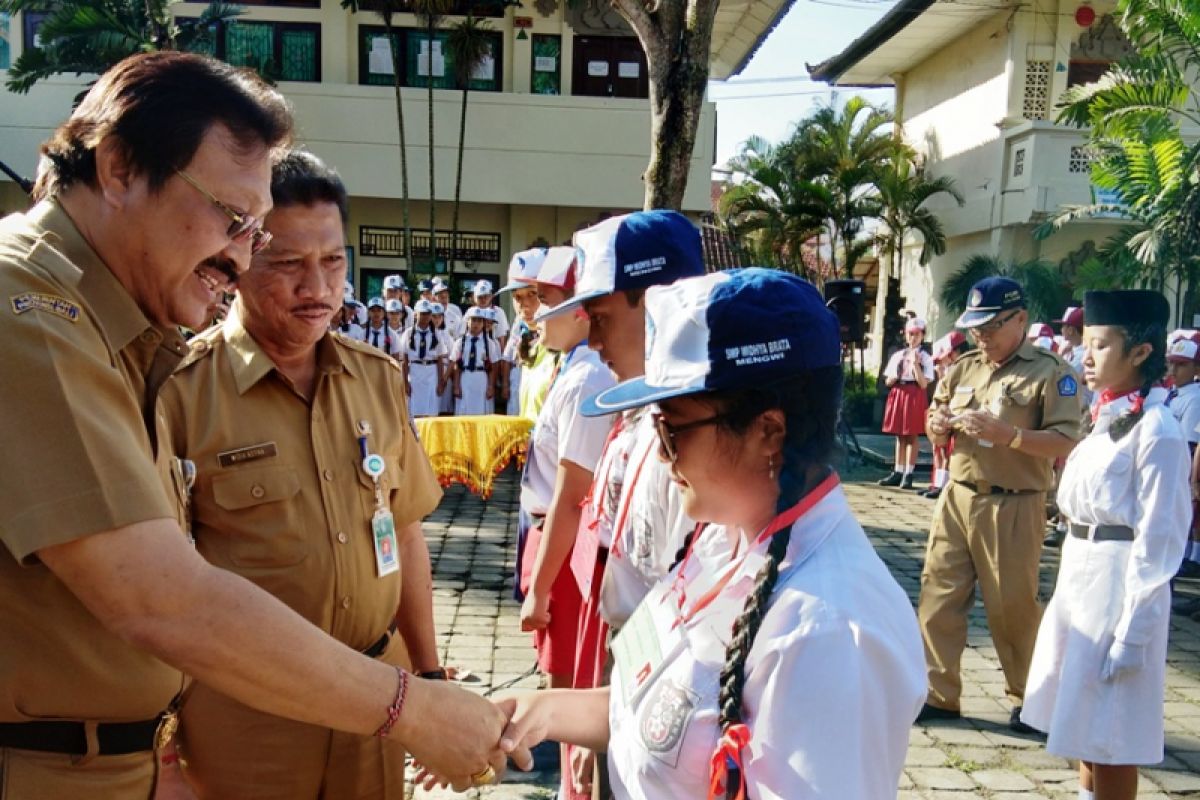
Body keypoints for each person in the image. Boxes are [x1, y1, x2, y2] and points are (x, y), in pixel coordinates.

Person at [0, 51, 520, 799]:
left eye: (254, 229)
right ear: (118, 169)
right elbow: (161, 598)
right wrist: (412, 707)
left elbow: (399, 528)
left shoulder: (115, 330)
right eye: (233, 219)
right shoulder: (31, 315)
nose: (241, 256)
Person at [471, 269, 926, 800]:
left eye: (672, 428)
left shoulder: (827, 633)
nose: (660, 454)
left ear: (769, 433)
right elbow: (660, 714)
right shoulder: (723, 536)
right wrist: (540, 710)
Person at [159, 150, 448, 799]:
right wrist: (165, 753)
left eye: (334, 261)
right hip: (247, 716)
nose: (317, 287)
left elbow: (403, 534)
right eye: (288, 264)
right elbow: (152, 589)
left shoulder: (377, 379)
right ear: (237, 259)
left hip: (377, 706)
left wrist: (429, 677)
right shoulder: (180, 393)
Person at [536, 209, 705, 799]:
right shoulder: (637, 413)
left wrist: (617, 719)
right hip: (625, 657)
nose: (595, 339)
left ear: (659, 302)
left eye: (603, 318)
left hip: (658, 675)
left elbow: (681, 607)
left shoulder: (692, 442)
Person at [1022, 290, 1189, 800]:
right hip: (1082, 577)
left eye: (1100, 345)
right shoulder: (1109, 417)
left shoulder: (1157, 430)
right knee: (1083, 729)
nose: (1085, 357)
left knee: (1112, 735)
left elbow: (1160, 539)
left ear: (1139, 352)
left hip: (1120, 587)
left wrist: (1133, 632)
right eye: (1085, 344)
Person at [918, 276, 1083, 732]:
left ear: (1021, 320)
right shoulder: (965, 367)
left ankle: (1030, 700)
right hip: (959, 496)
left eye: (990, 327)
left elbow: (1067, 438)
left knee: (1012, 608)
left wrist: (1008, 435)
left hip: (1014, 505)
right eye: (975, 328)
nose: (981, 336)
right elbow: (939, 407)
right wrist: (937, 425)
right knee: (937, 596)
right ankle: (939, 694)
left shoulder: (1051, 373)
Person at [516, 248, 616, 797]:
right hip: (554, 538)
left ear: (581, 312)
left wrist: (542, 587)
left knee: (572, 689)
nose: (535, 314)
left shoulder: (588, 379)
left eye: (547, 303)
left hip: (570, 551)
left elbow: (573, 496)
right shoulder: (573, 367)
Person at [878, 317, 935, 490]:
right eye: (910, 334)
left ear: (923, 336)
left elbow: (924, 383)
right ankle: (898, 470)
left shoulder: (925, 357)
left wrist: (916, 364)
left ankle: (909, 473)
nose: (913, 338)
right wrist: (895, 375)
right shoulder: (898, 355)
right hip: (899, 392)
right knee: (899, 435)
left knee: (912, 435)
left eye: (917, 334)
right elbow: (888, 381)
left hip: (915, 393)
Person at [498, 248, 549, 417]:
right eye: (517, 297)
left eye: (532, 294)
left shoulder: (561, 347)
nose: (524, 304)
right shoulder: (526, 337)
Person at [1167, 334, 1200, 580]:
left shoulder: (1195, 397)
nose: (1174, 369)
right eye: (1172, 363)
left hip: (1181, 464)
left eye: (1182, 365)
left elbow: (1189, 442)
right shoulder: (1174, 393)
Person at [920, 330, 967, 501]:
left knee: (949, 451)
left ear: (956, 352)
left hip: (954, 413)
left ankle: (943, 485)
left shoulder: (965, 368)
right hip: (941, 410)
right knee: (937, 448)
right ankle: (937, 483)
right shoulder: (949, 369)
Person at [401, 298, 449, 418]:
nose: (425, 316)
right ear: (416, 314)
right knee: (414, 410)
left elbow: (439, 359)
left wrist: (440, 382)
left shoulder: (436, 333)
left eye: (428, 313)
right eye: (422, 313)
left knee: (430, 410)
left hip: (431, 372)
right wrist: (405, 382)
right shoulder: (408, 333)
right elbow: (404, 360)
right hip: (415, 371)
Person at [450, 306, 500, 415]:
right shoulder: (460, 342)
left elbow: (493, 366)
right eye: (473, 320)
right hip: (466, 377)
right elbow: (456, 365)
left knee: (481, 410)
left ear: (483, 323)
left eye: (479, 321)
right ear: (467, 321)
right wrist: (456, 385)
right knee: (464, 409)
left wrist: (491, 386)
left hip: (481, 378)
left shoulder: (489, 343)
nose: (476, 324)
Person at [472, 279, 510, 348]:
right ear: (474, 297)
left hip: (493, 354)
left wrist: (502, 357)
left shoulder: (499, 312)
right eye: (480, 297)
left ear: (491, 296)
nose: (483, 299)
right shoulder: (470, 312)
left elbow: (501, 337)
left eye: (486, 296)